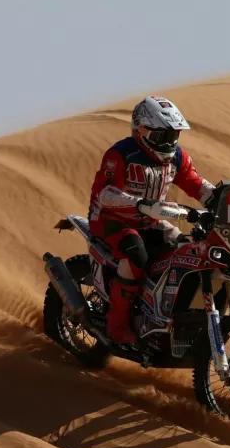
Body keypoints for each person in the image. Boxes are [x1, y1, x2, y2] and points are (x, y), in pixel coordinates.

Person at [87, 95, 216, 345]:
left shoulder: (177, 157)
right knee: (136, 255)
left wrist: (219, 197)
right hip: (111, 219)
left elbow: (196, 185)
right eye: (162, 136)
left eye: (173, 136)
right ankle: (117, 326)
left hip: (150, 221)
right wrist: (137, 202)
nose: (169, 143)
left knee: (184, 250)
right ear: (142, 131)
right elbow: (105, 194)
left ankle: (161, 315)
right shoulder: (121, 154)